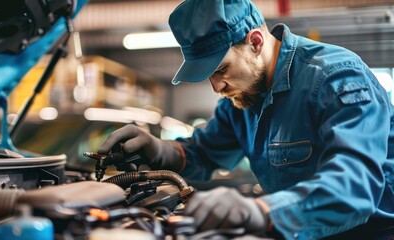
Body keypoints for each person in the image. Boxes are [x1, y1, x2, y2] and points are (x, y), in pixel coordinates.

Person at [97, 0, 394, 239]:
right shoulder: (241, 99)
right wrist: (159, 149)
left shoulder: (336, 78)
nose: (216, 87)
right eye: (208, 76)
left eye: (221, 69)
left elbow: (355, 188)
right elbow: (203, 152)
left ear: (255, 42)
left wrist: (261, 211)